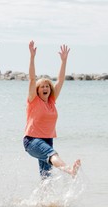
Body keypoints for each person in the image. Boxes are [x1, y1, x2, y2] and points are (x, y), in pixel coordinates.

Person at [23, 41, 81, 179]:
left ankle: (43, 200)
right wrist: (32, 57)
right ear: (37, 90)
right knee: (53, 154)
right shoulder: (33, 100)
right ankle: (69, 170)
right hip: (32, 141)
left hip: (47, 140)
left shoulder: (51, 101)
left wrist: (64, 61)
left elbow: (60, 81)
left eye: (47, 86)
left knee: (46, 177)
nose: (45, 88)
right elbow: (32, 79)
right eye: (42, 87)